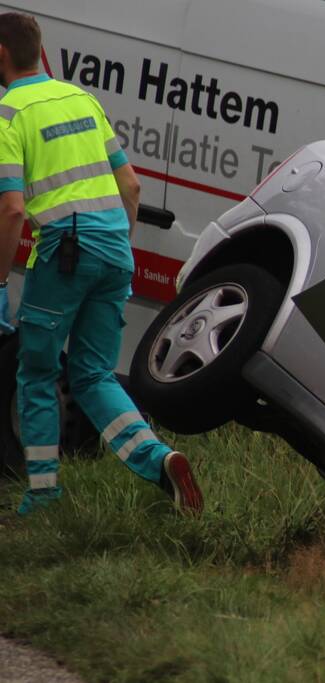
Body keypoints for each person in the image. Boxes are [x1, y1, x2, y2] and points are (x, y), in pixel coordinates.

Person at [0, 13, 203, 516]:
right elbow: (130, 186)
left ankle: (43, 493)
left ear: (2, 56)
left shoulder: (9, 114)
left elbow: (12, 209)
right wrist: (116, 243)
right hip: (115, 247)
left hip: (64, 248)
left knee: (38, 371)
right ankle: (160, 460)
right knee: (93, 375)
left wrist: (0, 277)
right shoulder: (83, 99)